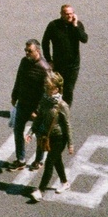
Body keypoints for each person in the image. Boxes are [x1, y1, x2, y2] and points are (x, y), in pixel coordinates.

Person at [29, 72, 72, 201]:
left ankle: (40, 191)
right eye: (46, 87)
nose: (47, 90)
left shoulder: (62, 105)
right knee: (57, 160)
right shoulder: (44, 101)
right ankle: (65, 183)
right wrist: (31, 132)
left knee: (49, 162)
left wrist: (70, 143)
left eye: (50, 88)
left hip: (60, 138)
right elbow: (39, 117)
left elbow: (67, 125)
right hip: (48, 137)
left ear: (57, 89)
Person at [6, 40, 48, 170]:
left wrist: (37, 110)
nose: (27, 53)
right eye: (26, 50)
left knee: (40, 134)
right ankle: (21, 159)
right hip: (23, 103)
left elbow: (46, 93)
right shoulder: (24, 62)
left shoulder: (45, 68)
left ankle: (39, 160)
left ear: (38, 51)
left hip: (36, 108)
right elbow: (19, 79)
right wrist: (14, 95)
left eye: (30, 51)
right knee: (18, 130)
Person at [42, 3, 88, 105]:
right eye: (67, 14)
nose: (69, 16)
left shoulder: (77, 25)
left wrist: (75, 26)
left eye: (71, 13)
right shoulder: (53, 25)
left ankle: (64, 113)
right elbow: (45, 42)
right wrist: (49, 60)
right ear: (61, 14)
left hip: (73, 65)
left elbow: (84, 39)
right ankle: (53, 111)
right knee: (55, 89)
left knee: (68, 90)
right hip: (58, 64)